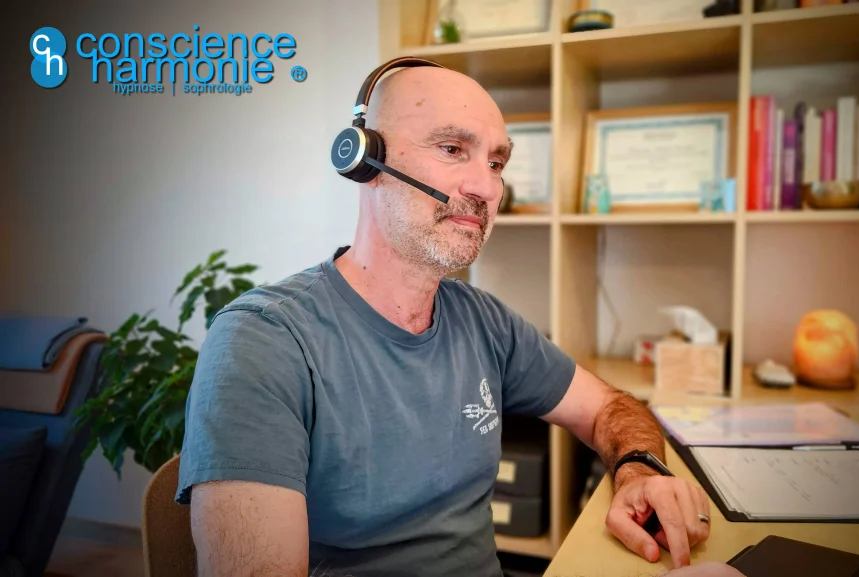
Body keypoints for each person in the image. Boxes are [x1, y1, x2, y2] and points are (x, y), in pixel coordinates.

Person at [175, 60, 742, 577]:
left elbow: (612, 408)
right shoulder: (262, 342)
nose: (485, 187)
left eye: (496, 162)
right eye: (452, 149)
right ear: (364, 159)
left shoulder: (484, 323)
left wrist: (640, 469)